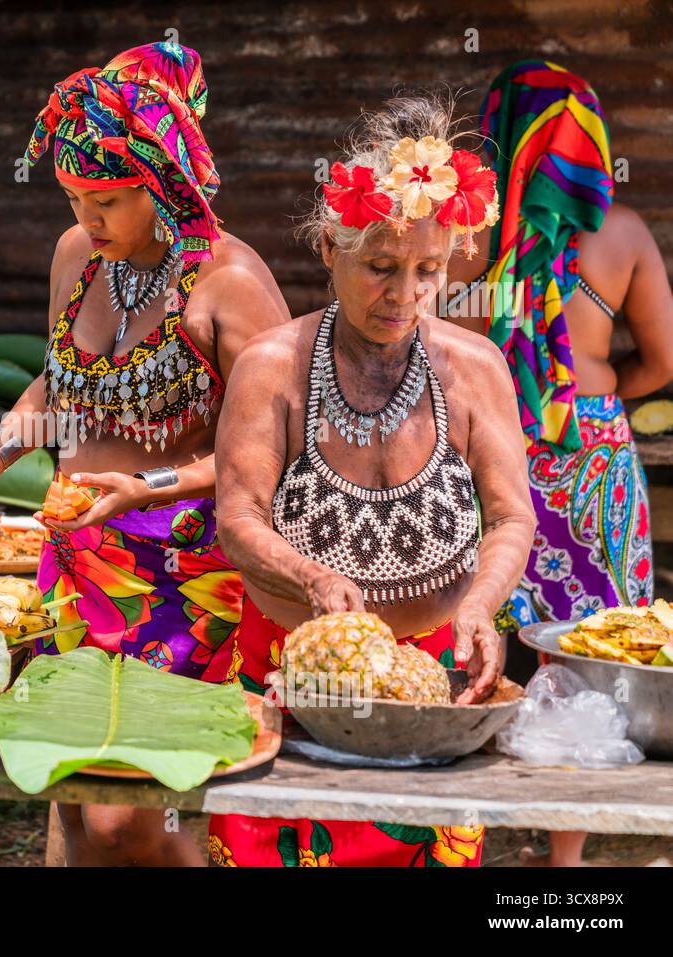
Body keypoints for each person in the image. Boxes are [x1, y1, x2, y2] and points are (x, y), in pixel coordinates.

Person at [0, 41, 289, 865]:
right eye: (72, 197)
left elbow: (264, 453)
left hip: (188, 572)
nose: (87, 220)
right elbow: (59, 388)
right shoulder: (75, 257)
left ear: (164, 179)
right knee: (77, 792)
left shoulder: (229, 281)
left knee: (146, 804)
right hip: (76, 558)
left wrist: (147, 484)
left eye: (107, 200)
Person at [207, 95, 536, 866]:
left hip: (434, 699)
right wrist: (310, 576)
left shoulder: (476, 372)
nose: (406, 295)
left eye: (429, 271)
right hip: (292, 694)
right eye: (382, 267)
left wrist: (483, 604)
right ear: (329, 247)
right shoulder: (272, 370)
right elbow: (239, 514)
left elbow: (511, 516)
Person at [445, 61, 673, 866]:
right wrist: (597, 399)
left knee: (473, 629)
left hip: (490, 451)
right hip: (594, 457)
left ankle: (460, 827)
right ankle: (564, 856)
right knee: (590, 649)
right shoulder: (626, 235)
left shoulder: (468, 246)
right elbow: (663, 359)